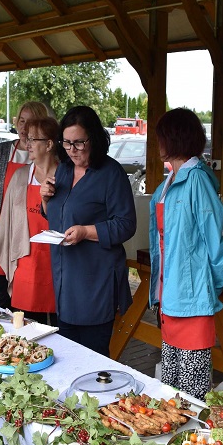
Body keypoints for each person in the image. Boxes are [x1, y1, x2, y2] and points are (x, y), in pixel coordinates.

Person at [149, 109, 223, 401]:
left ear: (173, 139)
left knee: (192, 397)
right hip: (170, 300)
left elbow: (216, 246)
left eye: (160, 137)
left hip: (192, 304)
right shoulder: (170, 181)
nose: (156, 143)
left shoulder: (197, 180)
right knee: (171, 392)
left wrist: (206, 288)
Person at [40, 106, 136, 356]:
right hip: (65, 278)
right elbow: (57, 215)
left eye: (79, 143)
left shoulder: (111, 174)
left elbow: (126, 224)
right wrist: (45, 199)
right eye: (67, 143)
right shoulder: (63, 170)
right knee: (67, 356)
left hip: (95, 281)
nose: (72, 150)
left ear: (93, 138)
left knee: (92, 359)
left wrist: (86, 231)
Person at [0, 101, 52, 308]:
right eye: (21, 121)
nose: (25, 128)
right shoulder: (2, 154)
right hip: (3, 239)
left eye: (31, 123)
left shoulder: (52, 161)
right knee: (4, 298)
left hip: (37, 242)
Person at [0, 116, 62, 325]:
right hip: (25, 264)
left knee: (62, 330)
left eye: (33, 140)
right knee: (29, 332)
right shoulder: (20, 177)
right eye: (27, 139)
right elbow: (7, 223)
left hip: (57, 264)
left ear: (49, 144)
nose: (28, 144)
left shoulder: (65, 177)